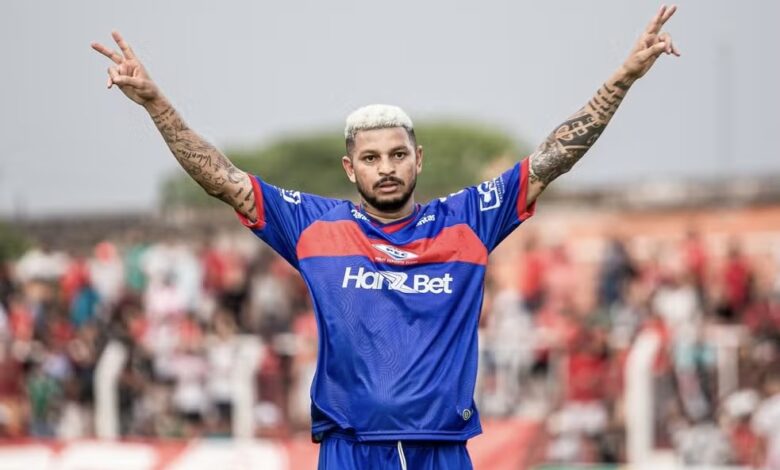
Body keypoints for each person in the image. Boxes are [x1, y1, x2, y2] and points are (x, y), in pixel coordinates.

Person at [92, 6, 679, 468]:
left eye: (398, 154)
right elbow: (222, 179)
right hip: (350, 447)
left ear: (418, 159)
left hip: (440, 447)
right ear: (351, 169)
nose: (387, 167)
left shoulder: (469, 219)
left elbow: (553, 156)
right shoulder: (315, 226)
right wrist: (156, 103)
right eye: (371, 158)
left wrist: (622, 79)